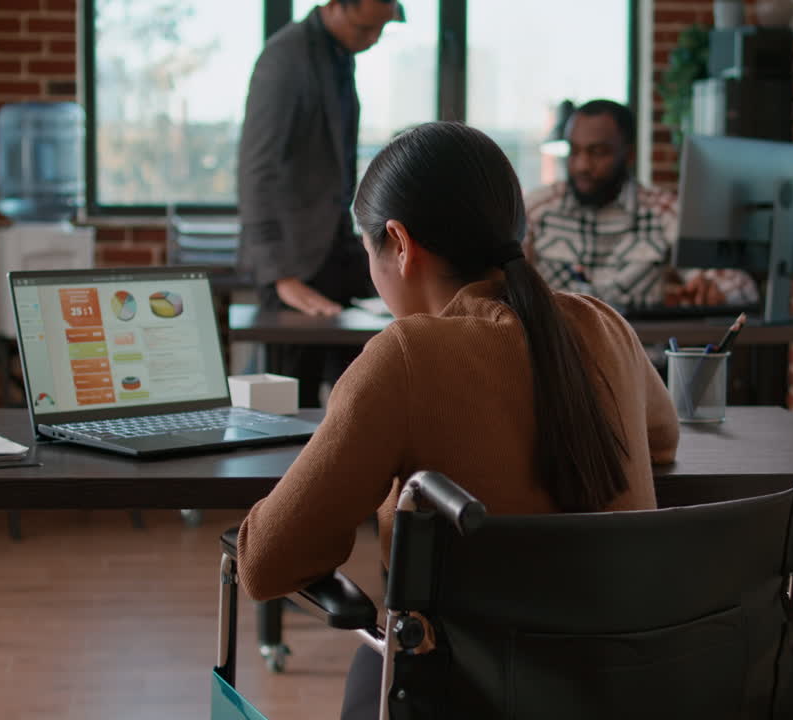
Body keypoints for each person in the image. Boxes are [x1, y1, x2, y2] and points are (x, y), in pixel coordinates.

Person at [235, 122, 680, 720]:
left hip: (463, 696)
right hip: (619, 686)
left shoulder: (404, 356)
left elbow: (267, 564)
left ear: (398, 242)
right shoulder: (602, 324)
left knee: (379, 656)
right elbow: (661, 439)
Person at [237, 0, 402, 407]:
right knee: (292, 406)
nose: (373, 40)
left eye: (381, 30)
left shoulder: (340, 55)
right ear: (334, 6)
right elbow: (256, 170)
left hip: (333, 250)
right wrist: (280, 276)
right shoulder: (285, 58)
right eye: (366, 29)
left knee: (355, 395)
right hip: (292, 265)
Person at [524, 99, 758, 312]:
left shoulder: (663, 211)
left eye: (597, 152)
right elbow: (498, 284)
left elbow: (742, 289)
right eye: (574, 151)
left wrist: (715, 290)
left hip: (640, 356)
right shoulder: (537, 209)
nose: (582, 165)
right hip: (560, 357)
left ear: (629, 154)